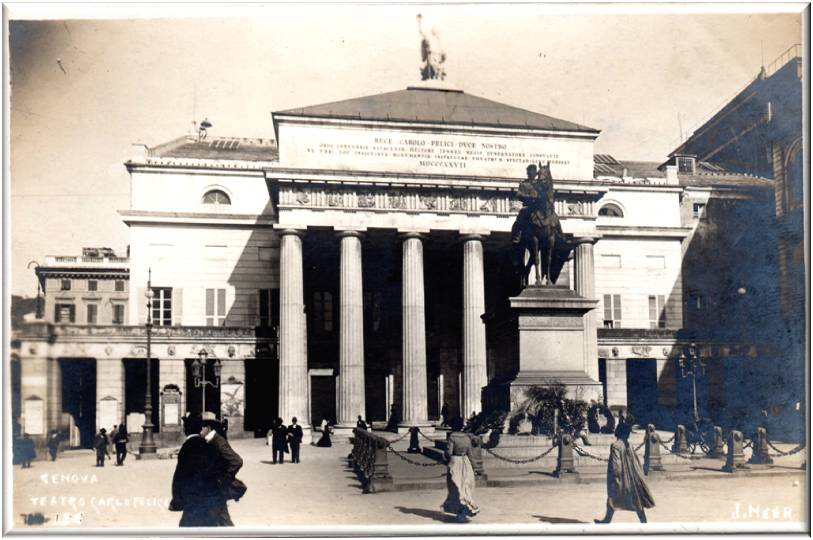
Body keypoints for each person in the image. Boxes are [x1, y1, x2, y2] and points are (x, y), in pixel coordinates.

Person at [595, 420, 655, 524]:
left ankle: (607, 520)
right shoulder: (629, 445)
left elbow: (616, 463)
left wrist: (616, 477)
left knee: (612, 497)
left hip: (621, 476)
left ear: (618, 432)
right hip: (632, 475)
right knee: (636, 498)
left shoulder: (615, 445)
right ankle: (643, 521)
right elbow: (635, 461)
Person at [200, 411, 244, 526]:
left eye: (201, 428)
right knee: (218, 519)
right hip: (210, 489)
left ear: (208, 428)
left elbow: (237, 461)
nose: (199, 431)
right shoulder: (209, 441)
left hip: (216, 490)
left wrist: (222, 479)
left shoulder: (218, 441)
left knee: (222, 520)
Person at [441, 417, 480, 523]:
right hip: (466, 462)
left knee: (455, 488)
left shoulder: (452, 437)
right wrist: (475, 466)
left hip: (455, 462)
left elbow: (449, 452)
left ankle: (461, 511)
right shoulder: (467, 437)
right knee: (465, 487)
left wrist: (445, 458)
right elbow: (470, 454)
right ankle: (467, 506)